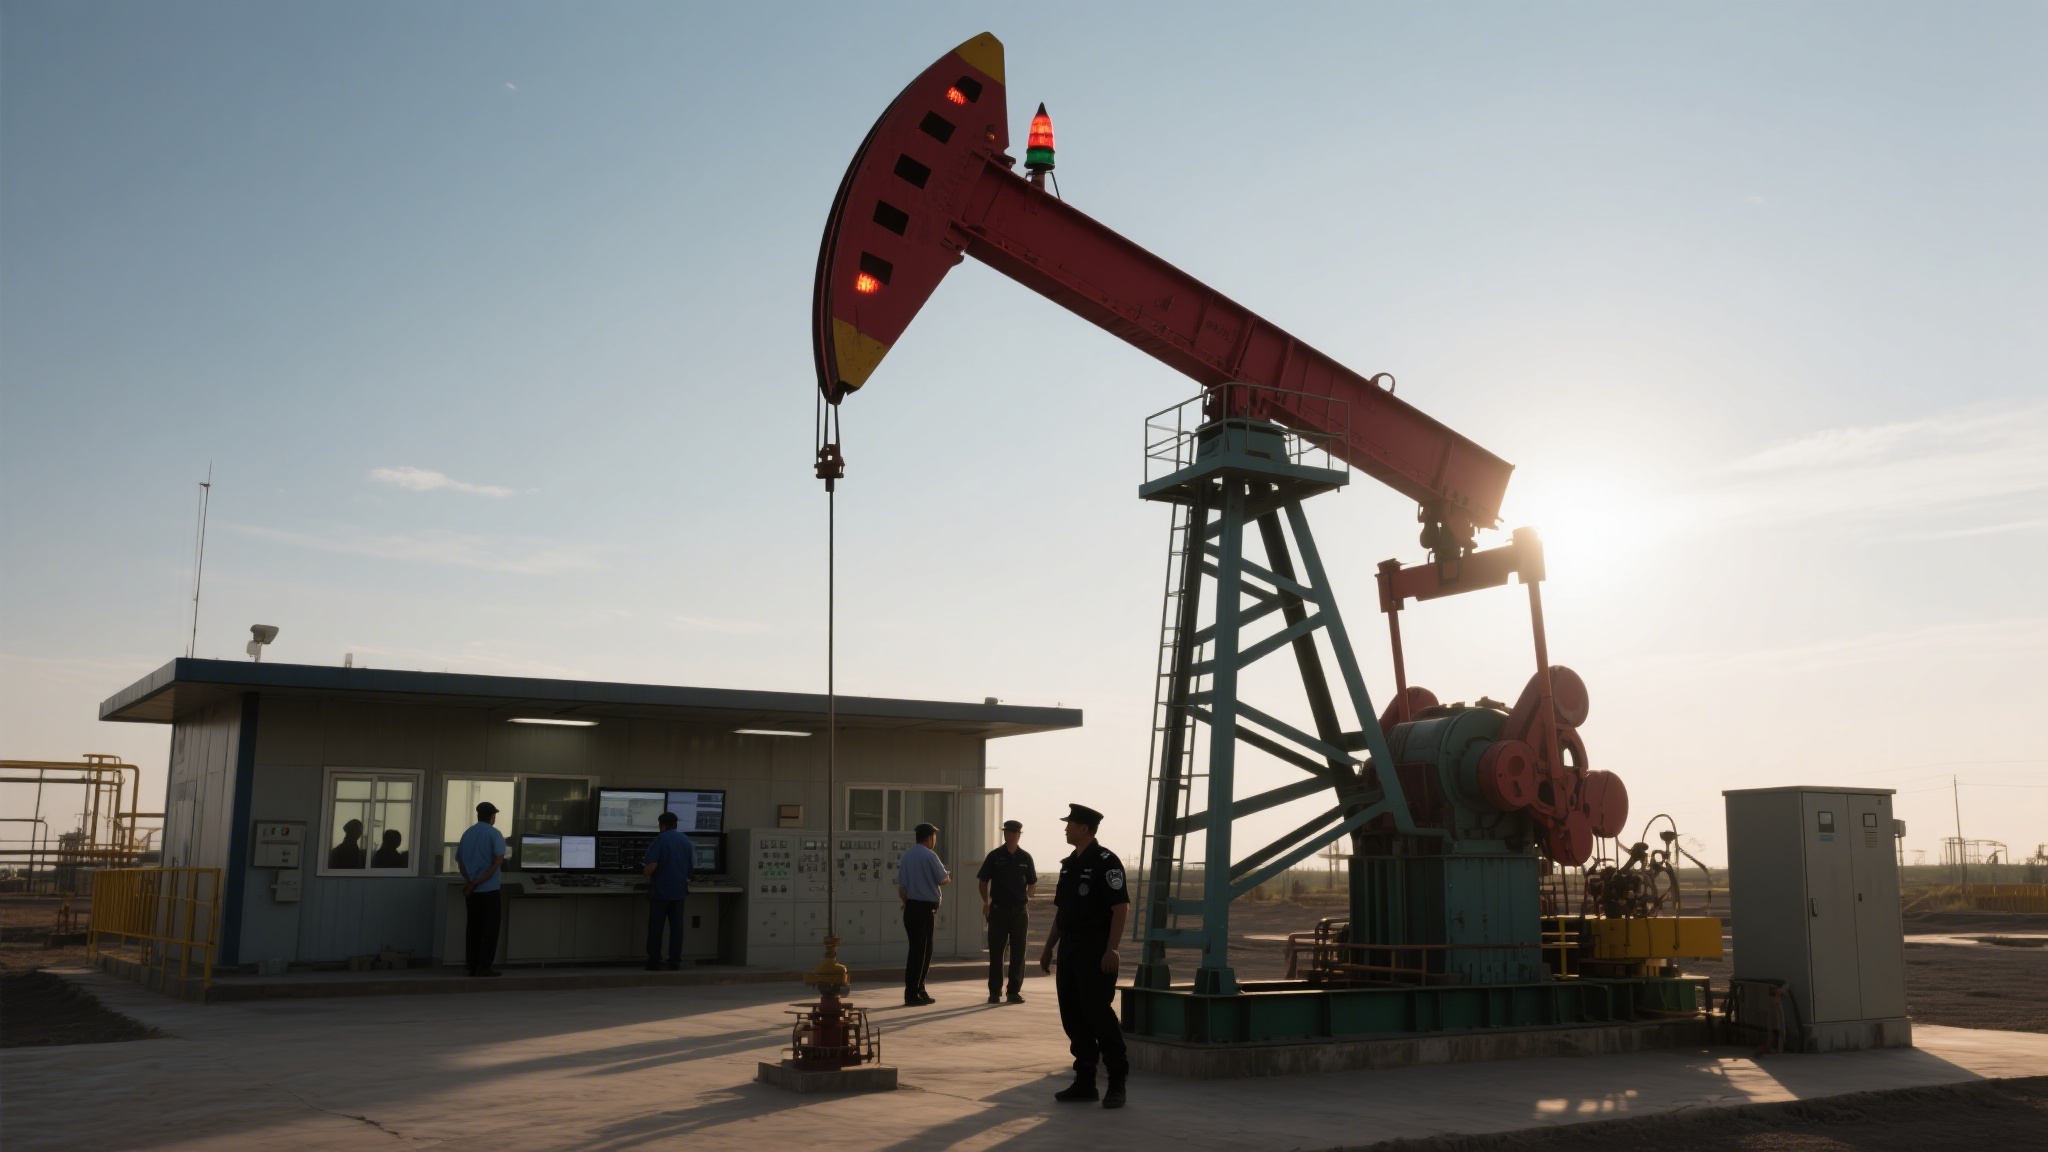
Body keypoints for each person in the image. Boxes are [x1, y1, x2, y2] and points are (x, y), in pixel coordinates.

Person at [1040, 802, 1129, 1109]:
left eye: (1069, 824)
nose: (1065, 829)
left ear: (1084, 828)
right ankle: (1085, 1081)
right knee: (1072, 1016)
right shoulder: (1069, 865)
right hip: (1070, 949)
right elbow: (1062, 911)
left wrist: (1112, 948)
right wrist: (1049, 947)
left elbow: (1120, 907)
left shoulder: (1106, 862)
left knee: (1097, 1013)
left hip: (1095, 949)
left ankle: (1116, 1081)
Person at [977, 818, 1037, 1004]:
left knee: (1018, 952)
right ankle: (995, 992)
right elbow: (983, 881)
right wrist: (986, 902)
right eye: (1005, 831)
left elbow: (1032, 883)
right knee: (996, 953)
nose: (1007, 835)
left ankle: (1013, 991)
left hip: (1019, 911)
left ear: (1018, 835)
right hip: (998, 910)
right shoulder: (995, 856)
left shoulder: (1025, 858)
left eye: (1011, 832)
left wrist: (1028, 897)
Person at [895, 821, 950, 1005]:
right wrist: (948, 877)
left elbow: (902, 888)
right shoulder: (929, 855)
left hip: (911, 909)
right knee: (922, 953)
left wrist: (905, 903)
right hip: (924, 910)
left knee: (917, 950)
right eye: (934, 836)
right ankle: (912, 993)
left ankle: (919, 989)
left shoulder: (908, 856)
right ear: (930, 837)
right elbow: (942, 879)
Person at [455, 801, 507, 978]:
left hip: (472, 893)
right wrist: (478, 882)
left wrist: (470, 882)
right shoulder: (494, 833)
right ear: (492, 817)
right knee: (490, 930)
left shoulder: (467, 834)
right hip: (490, 891)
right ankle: (485, 967)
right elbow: (497, 862)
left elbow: (460, 861)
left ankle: (472, 966)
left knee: (473, 929)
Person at [640, 811, 695, 971]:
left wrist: (644, 870)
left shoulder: (660, 840)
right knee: (677, 928)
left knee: (656, 928)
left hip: (661, 892)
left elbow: (650, 868)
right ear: (676, 825)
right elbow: (690, 869)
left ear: (662, 825)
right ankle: (675, 961)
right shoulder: (686, 840)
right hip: (679, 892)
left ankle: (654, 961)